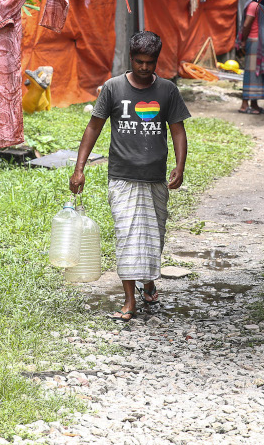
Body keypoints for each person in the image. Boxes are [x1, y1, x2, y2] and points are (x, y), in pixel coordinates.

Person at [70, 32, 190, 321]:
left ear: (156, 61)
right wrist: (79, 168)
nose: (145, 68)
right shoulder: (113, 88)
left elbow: (177, 130)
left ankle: (148, 281)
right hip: (122, 177)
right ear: (130, 59)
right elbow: (93, 127)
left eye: (150, 62)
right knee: (127, 235)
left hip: (154, 178)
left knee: (152, 236)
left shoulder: (167, 91)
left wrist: (180, 166)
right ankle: (129, 300)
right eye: (139, 62)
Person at [235, 0, 264, 114]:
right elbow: (246, 24)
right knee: (252, 74)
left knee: (257, 75)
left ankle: (254, 104)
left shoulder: (260, 4)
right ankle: (244, 104)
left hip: (261, 42)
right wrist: (243, 41)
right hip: (255, 43)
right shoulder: (254, 5)